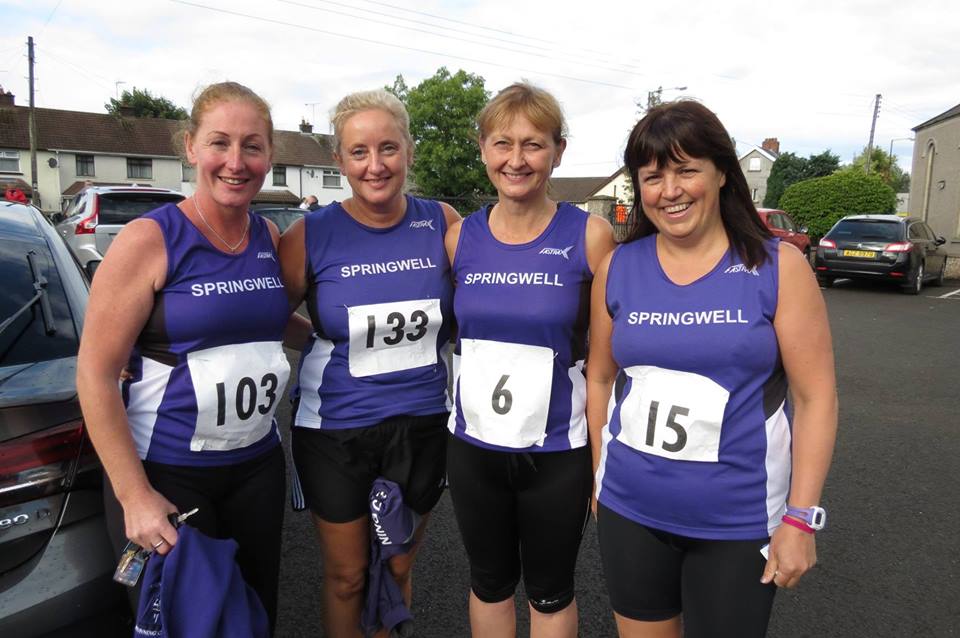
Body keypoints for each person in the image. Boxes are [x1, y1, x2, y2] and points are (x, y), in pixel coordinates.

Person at [586, 100, 838, 638]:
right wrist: (599, 473)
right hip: (631, 511)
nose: (669, 190)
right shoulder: (618, 267)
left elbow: (815, 398)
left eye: (686, 170)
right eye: (653, 177)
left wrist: (801, 516)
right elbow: (602, 378)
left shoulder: (777, 267)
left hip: (737, 522)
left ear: (722, 172)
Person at [77, 81, 307, 632]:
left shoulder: (266, 235)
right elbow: (95, 373)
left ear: (270, 156)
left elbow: (264, 321)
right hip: (168, 472)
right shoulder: (150, 239)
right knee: (187, 623)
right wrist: (134, 495)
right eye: (219, 143)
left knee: (254, 615)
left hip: (256, 464)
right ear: (190, 147)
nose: (236, 162)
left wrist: (346, 338)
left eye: (252, 146)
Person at [279, 88, 460, 638]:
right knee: (348, 576)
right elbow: (261, 315)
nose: (375, 165)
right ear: (339, 160)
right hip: (336, 430)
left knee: (398, 568)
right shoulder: (309, 234)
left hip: (423, 423)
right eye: (359, 152)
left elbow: (482, 304)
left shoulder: (443, 222)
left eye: (388, 148)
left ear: (408, 150)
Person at [444, 82, 616, 638]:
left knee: (550, 591)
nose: (516, 159)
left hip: (557, 452)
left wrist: (601, 463)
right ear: (483, 149)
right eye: (502, 143)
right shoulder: (458, 239)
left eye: (533, 144)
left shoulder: (590, 236)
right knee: (489, 584)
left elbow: (605, 366)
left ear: (557, 152)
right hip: (474, 448)